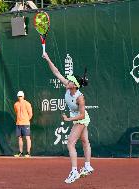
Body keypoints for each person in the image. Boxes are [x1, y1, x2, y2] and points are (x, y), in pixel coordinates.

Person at [43, 52, 94, 184]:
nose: (67, 81)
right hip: (76, 118)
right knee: (84, 141)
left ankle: (74, 171)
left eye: (70, 80)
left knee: (70, 142)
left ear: (75, 85)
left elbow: (82, 115)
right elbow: (56, 72)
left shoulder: (80, 97)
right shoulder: (68, 87)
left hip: (80, 119)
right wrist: (48, 59)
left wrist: (68, 119)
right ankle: (87, 166)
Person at [14, 91, 33, 158]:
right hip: (18, 123)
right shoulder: (16, 104)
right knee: (20, 138)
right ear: (17, 97)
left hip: (26, 123)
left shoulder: (27, 104)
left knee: (27, 137)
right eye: (19, 96)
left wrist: (26, 120)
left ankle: (28, 153)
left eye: (21, 96)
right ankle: (20, 152)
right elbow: (16, 112)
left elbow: (30, 114)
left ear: (23, 96)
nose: (20, 98)